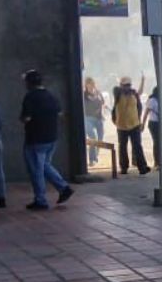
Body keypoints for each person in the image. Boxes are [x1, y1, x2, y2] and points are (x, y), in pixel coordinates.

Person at [20, 71, 74, 210]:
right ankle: (63, 188)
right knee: (44, 165)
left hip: (35, 139)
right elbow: (60, 115)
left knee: (37, 170)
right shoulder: (51, 96)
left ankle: (41, 200)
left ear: (29, 83)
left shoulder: (30, 97)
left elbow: (26, 118)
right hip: (51, 138)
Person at [112, 75, 150, 175]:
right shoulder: (117, 93)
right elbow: (116, 89)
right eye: (125, 85)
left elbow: (140, 93)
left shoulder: (134, 94)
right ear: (121, 85)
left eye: (128, 85)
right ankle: (124, 168)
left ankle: (142, 167)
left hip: (134, 124)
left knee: (137, 146)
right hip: (121, 125)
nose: (127, 87)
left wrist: (143, 80)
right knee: (123, 147)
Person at [83, 77, 106, 167]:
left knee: (100, 139)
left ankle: (95, 156)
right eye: (89, 84)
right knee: (93, 137)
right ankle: (92, 159)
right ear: (86, 85)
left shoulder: (98, 93)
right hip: (88, 118)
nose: (91, 85)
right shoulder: (84, 94)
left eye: (92, 83)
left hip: (99, 118)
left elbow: (103, 102)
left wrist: (101, 110)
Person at [143, 87, 160, 168]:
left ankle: (161, 160)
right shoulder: (152, 100)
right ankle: (157, 162)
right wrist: (143, 124)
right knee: (157, 142)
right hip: (154, 123)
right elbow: (146, 113)